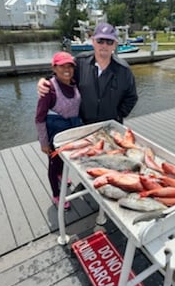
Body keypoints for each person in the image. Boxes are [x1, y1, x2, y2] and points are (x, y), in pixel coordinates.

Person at [37, 22, 138, 125]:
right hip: (83, 125)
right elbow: (63, 74)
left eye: (109, 41)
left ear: (115, 45)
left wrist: (118, 114)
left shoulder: (124, 70)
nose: (104, 45)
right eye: (100, 41)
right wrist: (45, 80)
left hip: (111, 125)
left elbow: (131, 97)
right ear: (93, 41)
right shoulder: (80, 62)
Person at [35, 51, 83, 210]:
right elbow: (39, 118)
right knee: (54, 163)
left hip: (70, 133)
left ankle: (61, 175)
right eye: (62, 66)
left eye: (70, 66)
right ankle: (56, 195)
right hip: (55, 137)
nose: (67, 69)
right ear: (54, 68)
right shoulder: (49, 89)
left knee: (64, 159)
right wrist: (43, 143)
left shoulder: (74, 82)